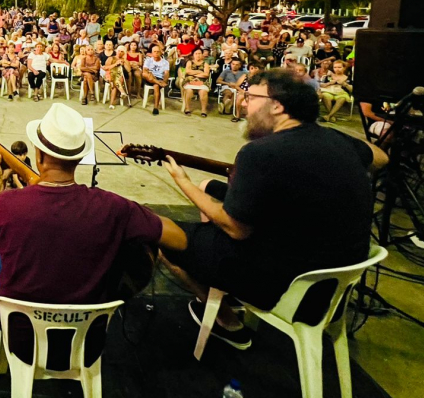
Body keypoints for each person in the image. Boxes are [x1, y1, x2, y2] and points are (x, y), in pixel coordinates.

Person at [160, 69, 387, 350]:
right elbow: (381, 157)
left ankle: (226, 321)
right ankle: (222, 290)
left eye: (250, 97)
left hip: (285, 285)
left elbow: (236, 228)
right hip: (333, 280)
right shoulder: (337, 141)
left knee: (163, 235)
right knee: (214, 190)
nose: (243, 103)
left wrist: (183, 182)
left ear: (277, 106)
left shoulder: (260, 153)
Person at [0, 104, 187, 351]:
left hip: (21, 335)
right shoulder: (114, 207)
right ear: (78, 158)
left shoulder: (7, 203)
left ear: (39, 155)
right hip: (86, 338)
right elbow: (180, 240)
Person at [182, 49, 211, 117]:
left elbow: (206, 74)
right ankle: (187, 108)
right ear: (193, 55)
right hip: (190, 80)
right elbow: (188, 71)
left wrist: (194, 74)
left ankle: (204, 110)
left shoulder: (205, 64)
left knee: (203, 91)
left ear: (202, 55)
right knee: (189, 91)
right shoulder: (189, 62)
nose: (198, 55)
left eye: (199, 53)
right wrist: (200, 72)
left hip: (202, 81)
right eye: (196, 53)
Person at [142, 44, 169, 115]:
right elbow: (145, 70)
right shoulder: (148, 60)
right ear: (152, 53)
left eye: (158, 51)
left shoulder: (165, 62)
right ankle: (158, 82)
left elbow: (166, 73)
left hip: (159, 78)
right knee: (145, 74)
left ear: (160, 52)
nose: (156, 53)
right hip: (149, 77)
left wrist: (164, 81)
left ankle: (156, 107)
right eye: (154, 51)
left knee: (156, 86)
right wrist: (150, 74)